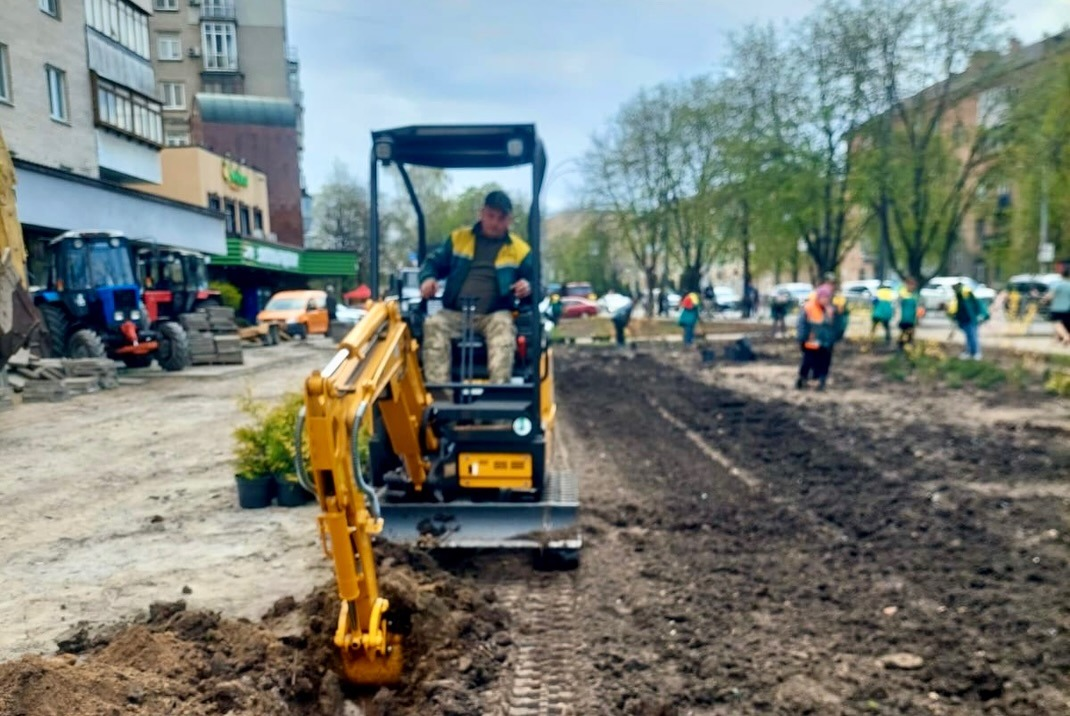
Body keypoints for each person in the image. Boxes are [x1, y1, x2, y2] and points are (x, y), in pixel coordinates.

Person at [418, 190, 532, 387]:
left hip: (493, 315)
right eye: (491, 216)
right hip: (456, 313)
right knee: (434, 324)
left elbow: (537, 282)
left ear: (509, 220)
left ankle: (497, 394)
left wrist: (528, 287)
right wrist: (428, 279)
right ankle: (440, 398)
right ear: (481, 213)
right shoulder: (458, 240)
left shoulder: (520, 250)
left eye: (501, 218)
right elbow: (433, 263)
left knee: (504, 330)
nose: (495, 223)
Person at [796, 285, 836, 390]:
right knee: (808, 361)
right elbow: (802, 324)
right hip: (811, 341)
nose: (825, 300)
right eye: (824, 297)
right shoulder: (809, 308)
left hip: (825, 342)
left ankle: (820, 380)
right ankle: (802, 378)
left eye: (827, 297)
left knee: (824, 362)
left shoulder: (830, 309)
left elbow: (834, 326)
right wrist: (803, 338)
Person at [948, 280, 987, 360]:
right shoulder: (959, 295)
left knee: (972, 336)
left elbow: (974, 306)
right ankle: (970, 352)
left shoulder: (966, 294)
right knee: (969, 336)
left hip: (970, 319)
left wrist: (979, 316)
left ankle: (976, 352)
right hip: (964, 319)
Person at [1043, 265, 1070, 345]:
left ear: (1061, 275)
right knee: (1064, 326)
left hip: (1057, 309)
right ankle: (1056, 341)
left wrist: (1044, 300)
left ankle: (1066, 337)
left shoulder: (1057, 284)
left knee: (1056, 324)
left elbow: (1050, 295)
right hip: (1068, 309)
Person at [896, 277, 923, 350]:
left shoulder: (915, 295)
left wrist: (918, 318)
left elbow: (918, 308)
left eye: (913, 285)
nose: (912, 287)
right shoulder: (902, 294)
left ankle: (908, 347)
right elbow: (897, 307)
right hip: (904, 318)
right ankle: (900, 347)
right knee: (903, 333)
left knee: (911, 333)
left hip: (912, 319)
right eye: (911, 285)